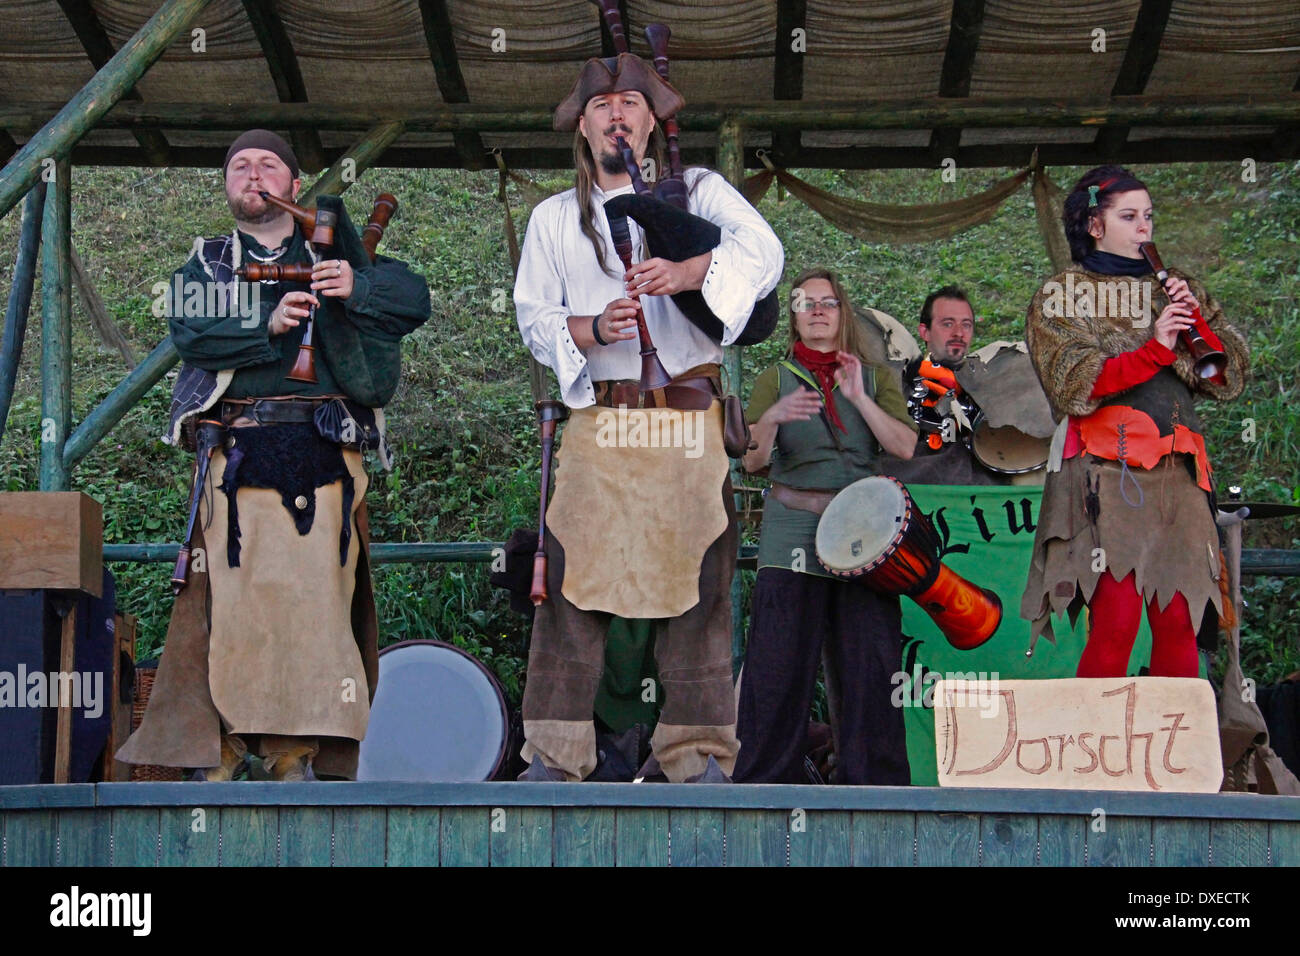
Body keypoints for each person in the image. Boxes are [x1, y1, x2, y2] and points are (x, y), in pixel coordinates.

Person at [117, 129, 430, 780]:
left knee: (315, 609)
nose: (253, 174)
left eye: (268, 165)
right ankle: (226, 748)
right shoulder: (207, 263)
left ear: (293, 185)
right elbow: (189, 329)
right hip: (236, 454)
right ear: (228, 185)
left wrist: (358, 287)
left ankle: (297, 753)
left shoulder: (338, 252)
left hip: (322, 452)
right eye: (239, 165)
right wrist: (265, 324)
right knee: (233, 608)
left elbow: (413, 300)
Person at [514, 51, 783, 782]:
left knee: (696, 588)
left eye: (631, 103)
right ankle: (556, 753)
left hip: (687, 423)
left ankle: (696, 757)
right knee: (574, 588)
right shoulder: (551, 218)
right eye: (602, 106)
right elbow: (534, 319)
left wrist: (687, 271)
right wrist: (596, 330)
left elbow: (764, 251)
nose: (617, 115)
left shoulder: (698, 190)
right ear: (583, 127)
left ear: (653, 121)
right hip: (603, 421)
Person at [1021, 164, 1249, 677]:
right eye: (1129, 216)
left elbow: (1227, 379)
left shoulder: (1177, 286)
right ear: (1095, 225)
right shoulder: (1062, 293)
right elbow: (1071, 383)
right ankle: (1095, 755)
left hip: (1181, 470)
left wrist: (1198, 332)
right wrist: (1156, 349)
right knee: (1117, 624)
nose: (1144, 227)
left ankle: (1175, 757)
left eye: (1148, 215)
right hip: (1106, 471)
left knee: (1179, 622)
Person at [734, 268, 917, 784]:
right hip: (793, 527)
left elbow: (904, 447)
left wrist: (857, 396)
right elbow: (751, 462)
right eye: (806, 303)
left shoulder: (876, 378)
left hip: (865, 535)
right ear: (793, 317)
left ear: (843, 314)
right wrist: (773, 418)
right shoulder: (776, 378)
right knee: (778, 666)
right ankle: (764, 787)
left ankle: (875, 788)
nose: (817, 310)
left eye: (828, 303)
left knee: (870, 666)